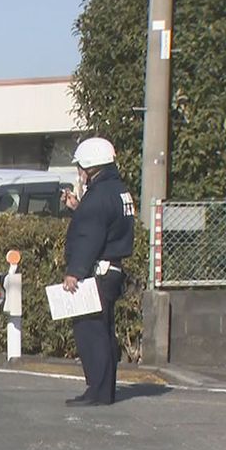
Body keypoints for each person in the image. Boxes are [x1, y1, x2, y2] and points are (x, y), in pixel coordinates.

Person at [60, 137, 135, 407]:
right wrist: (78, 208)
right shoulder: (118, 191)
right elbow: (106, 225)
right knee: (103, 330)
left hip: (98, 273)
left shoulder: (98, 195)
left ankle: (97, 391)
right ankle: (105, 390)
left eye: (80, 166)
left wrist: (74, 272)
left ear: (90, 166)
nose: (79, 172)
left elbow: (88, 236)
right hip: (112, 271)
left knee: (90, 331)